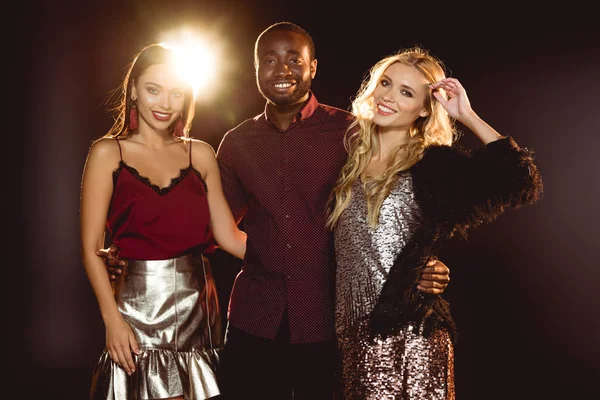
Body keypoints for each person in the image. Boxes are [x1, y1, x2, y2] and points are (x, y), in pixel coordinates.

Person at [103, 22, 451, 399]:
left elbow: (399, 196)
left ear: (313, 67)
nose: (282, 70)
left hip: (328, 320)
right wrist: (127, 250)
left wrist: (421, 261)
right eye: (269, 60)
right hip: (255, 318)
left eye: (293, 60)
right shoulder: (236, 145)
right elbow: (205, 225)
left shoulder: (353, 134)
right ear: (255, 70)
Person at [326, 47, 543, 399]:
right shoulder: (347, 155)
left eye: (406, 92)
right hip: (352, 333)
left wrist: (467, 115)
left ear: (425, 108)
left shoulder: (433, 165)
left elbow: (520, 179)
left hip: (412, 335)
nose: (388, 97)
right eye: (385, 83)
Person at [80, 43, 246, 400]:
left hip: (198, 309)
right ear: (134, 90)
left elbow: (230, 238)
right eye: (153, 89)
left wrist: (303, 255)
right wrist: (112, 320)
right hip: (134, 310)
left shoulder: (199, 153)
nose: (165, 103)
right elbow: (92, 249)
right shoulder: (108, 152)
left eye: (176, 93)